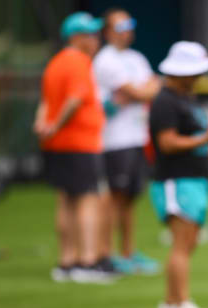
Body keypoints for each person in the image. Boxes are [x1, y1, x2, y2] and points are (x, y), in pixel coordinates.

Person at [148, 41, 208, 308]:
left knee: (188, 242)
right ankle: (180, 304)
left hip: (193, 178)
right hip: (176, 179)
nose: (199, 77)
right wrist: (207, 139)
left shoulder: (185, 98)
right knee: (181, 244)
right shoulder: (165, 101)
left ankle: (171, 305)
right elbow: (167, 143)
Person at [34, 12, 116, 284]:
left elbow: (45, 102)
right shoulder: (79, 62)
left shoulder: (55, 63)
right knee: (87, 199)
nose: (95, 40)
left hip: (59, 144)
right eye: (89, 34)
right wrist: (56, 125)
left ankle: (66, 262)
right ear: (75, 37)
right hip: (81, 142)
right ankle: (87, 261)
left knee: (66, 200)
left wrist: (44, 126)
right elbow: (74, 100)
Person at [93, 8, 160, 274]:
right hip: (115, 140)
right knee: (114, 197)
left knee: (130, 198)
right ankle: (107, 253)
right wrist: (140, 91)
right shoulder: (105, 60)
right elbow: (140, 91)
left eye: (129, 25)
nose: (127, 31)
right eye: (121, 27)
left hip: (136, 137)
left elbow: (151, 88)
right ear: (108, 32)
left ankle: (128, 252)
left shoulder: (137, 58)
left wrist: (138, 92)